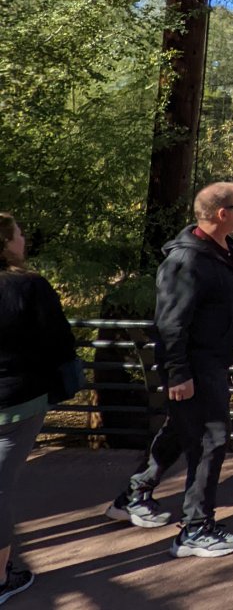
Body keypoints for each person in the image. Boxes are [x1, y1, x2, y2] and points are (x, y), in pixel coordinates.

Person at [106, 184, 233, 558]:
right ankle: (195, 530)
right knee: (210, 439)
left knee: (180, 430)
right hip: (195, 364)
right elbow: (171, 324)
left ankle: (134, 495)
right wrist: (178, 373)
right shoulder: (185, 261)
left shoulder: (226, 249)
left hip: (212, 360)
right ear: (222, 213)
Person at [0, 213, 78, 604]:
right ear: (5, 243)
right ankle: (1, 578)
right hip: (17, 404)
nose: (24, 239)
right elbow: (59, 342)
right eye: (18, 233)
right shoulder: (28, 287)